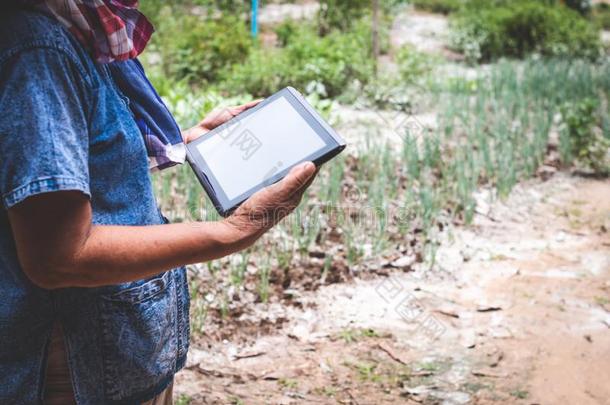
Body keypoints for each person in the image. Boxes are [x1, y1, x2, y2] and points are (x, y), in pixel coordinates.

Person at [0, 1, 317, 404]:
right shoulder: (38, 51)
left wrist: (189, 139)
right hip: (78, 371)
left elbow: (82, 154)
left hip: (111, 355)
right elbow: (58, 256)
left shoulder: (76, 27)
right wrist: (233, 232)